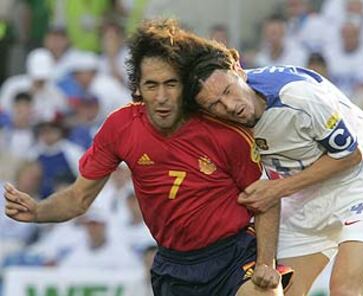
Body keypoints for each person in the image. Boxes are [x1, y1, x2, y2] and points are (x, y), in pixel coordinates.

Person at [4, 19, 289, 296]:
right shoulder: (120, 127)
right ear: (138, 88)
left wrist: (266, 263)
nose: (162, 96)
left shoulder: (223, 131)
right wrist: (38, 211)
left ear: (185, 86)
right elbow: (79, 198)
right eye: (152, 85)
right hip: (173, 266)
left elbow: (266, 198)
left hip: (233, 254)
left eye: (171, 84)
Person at [179, 29, 363, 295]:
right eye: (215, 104)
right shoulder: (220, 123)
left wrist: (277, 189)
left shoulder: (297, 96)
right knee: (277, 291)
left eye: (229, 91)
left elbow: (350, 155)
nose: (229, 106)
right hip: (305, 196)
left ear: (239, 70)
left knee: (344, 289)